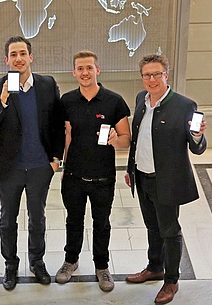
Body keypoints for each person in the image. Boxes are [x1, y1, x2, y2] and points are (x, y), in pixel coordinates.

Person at [124, 54, 207, 304]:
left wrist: (197, 136)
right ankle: (154, 267)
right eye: (147, 75)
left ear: (166, 75)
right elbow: (138, 139)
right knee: (152, 226)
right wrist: (131, 168)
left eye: (156, 74)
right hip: (142, 175)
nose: (151, 79)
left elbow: (198, 148)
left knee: (170, 231)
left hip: (167, 180)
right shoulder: (141, 100)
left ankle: (171, 280)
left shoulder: (184, 105)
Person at [0, 36, 64, 290]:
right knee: (8, 219)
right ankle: (10, 264)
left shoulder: (47, 84)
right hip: (9, 169)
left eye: (22, 53)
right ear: (6, 60)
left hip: (41, 165)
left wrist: (56, 159)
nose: (18, 58)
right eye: (13, 55)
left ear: (31, 57)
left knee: (37, 218)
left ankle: (37, 262)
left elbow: (57, 124)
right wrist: (4, 97)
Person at [55, 50, 131, 292]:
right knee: (73, 221)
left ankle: (102, 266)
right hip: (74, 176)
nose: (85, 72)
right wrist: (61, 165)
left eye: (89, 68)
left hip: (103, 178)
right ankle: (70, 261)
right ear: (74, 72)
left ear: (98, 70)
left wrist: (114, 140)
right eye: (80, 68)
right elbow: (65, 135)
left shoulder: (114, 101)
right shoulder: (66, 101)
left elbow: (126, 138)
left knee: (102, 223)